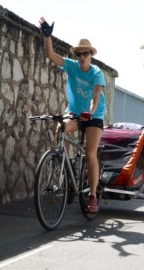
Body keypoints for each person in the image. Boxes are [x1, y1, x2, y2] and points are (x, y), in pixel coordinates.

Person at [39, 17, 105, 213]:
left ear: (90, 55)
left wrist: (90, 112)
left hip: (93, 115)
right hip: (75, 113)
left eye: (85, 53)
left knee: (90, 153)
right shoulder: (71, 66)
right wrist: (47, 36)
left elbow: (96, 94)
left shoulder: (96, 72)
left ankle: (92, 196)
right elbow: (50, 54)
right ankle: (65, 164)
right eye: (79, 54)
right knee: (61, 126)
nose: (82, 56)